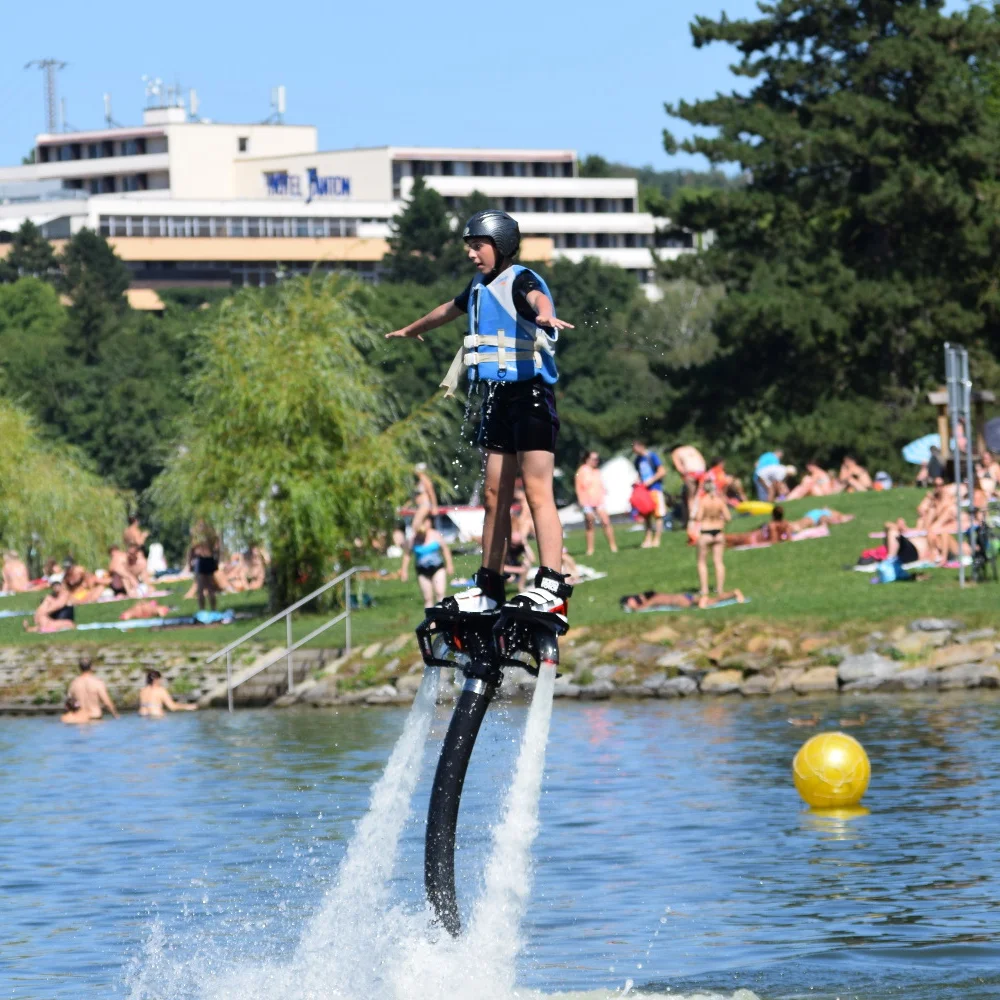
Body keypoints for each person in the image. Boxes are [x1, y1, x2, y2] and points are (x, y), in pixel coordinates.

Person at [385, 209, 575, 627]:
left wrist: (543, 315)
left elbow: (535, 299)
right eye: (469, 247)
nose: (472, 254)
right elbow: (447, 310)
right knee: (493, 498)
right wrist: (412, 329)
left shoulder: (520, 278)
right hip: (498, 399)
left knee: (538, 493)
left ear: (502, 246)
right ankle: (489, 588)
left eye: (478, 246)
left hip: (531, 398)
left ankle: (552, 585)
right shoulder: (476, 287)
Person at [691, 477, 730, 598]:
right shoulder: (719, 501)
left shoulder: (703, 501)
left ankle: (704, 589)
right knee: (718, 562)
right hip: (719, 532)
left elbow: (698, 517)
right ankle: (719, 589)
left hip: (706, 532)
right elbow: (728, 517)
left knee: (702, 562)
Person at [401, 522, 455, 607]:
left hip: (437, 567)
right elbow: (407, 555)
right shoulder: (413, 539)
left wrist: (449, 564)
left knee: (440, 593)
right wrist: (404, 571)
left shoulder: (435, 535)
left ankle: (442, 617)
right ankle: (430, 619)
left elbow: (445, 549)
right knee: (427, 598)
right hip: (422, 570)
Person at [574, 451, 618, 556]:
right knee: (590, 526)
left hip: (599, 501)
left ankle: (613, 546)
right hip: (587, 502)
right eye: (594, 459)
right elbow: (578, 487)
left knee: (606, 522)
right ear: (587, 459)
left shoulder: (597, 471)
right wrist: (581, 502)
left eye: (597, 459)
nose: (596, 461)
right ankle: (590, 549)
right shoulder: (581, 471)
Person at [633, 441, 666, 548]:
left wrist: (650, 481)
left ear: (641, 446)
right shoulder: (637, 460)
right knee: (646, 515)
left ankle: (657, 539)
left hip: (655, 489)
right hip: (644, 491)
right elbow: (639, 474)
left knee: (658, 515)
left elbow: (662, 471)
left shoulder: (652, 456)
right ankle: (648, 539)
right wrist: (637, 482)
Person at [188, 520, 221, 611]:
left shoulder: (210, 533)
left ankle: (212, 609)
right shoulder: (196, 533)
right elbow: (192, 549)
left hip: (207, 560)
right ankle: (203, 610)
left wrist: (216, 561)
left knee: (209, 588)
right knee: (201, 588)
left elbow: (216, 548)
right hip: (201, 560)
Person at [724, 505, 794, 548]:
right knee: (732, 541)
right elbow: (789, 537)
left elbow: (774, 541)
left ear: (773, 515)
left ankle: (717, 538)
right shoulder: (786, 523)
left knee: (734, 539)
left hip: (753, 539)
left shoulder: (772, 525)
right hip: (753, 537)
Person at [620, 588, 745, 611]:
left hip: (681, 600)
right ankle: (733, 593)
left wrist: (633, 607)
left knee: (699, 602)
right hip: (684, 596)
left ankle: (701, 601)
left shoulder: (654, 599)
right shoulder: (659, 595)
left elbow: (641, 608)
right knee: (713, 601)